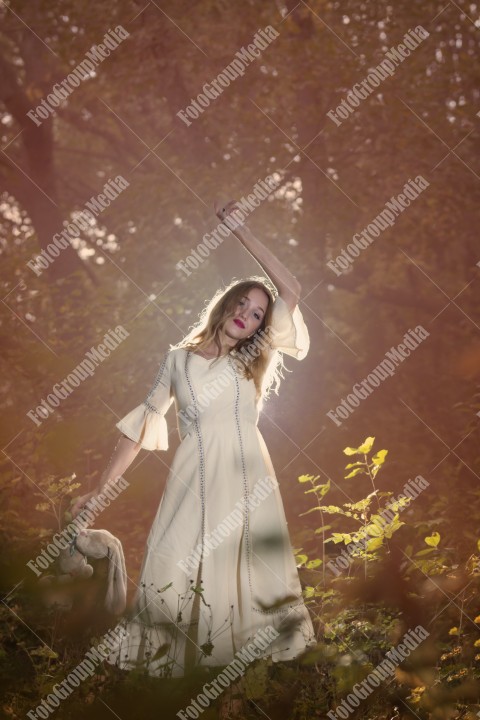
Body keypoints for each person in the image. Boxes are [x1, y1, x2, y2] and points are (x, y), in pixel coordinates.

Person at [71, 200, 317, 714]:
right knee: (171, 567)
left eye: (256, 315)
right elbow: (140, 428)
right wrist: (100, 491)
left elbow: (290, 290)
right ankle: (164, 694)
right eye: (243, 306)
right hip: (191, 480)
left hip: (247, 479)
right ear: (225, 304)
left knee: (243, 578)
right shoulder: (178, 360)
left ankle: (236, 698)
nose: (248, 318)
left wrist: (242, 230)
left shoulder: (255, 356)